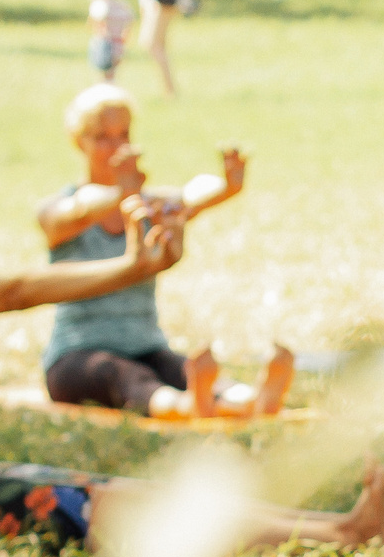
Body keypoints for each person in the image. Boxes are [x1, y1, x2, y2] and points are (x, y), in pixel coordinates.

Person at [0, 110, 384, 556]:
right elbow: (16, 291)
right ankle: (342, 538)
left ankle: (342, 529)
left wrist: (142, 264)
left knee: (129, 490)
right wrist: (137, 265)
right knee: (114, 504)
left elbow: (34, 282)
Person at [35, 82, 289, 419]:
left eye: (123, 134)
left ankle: (249, 400)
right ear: (79, 141)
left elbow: (190, 194)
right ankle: (188, 407)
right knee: (125, 378)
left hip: (146, 347)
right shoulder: (60, 208)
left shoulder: (147, 203)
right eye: (102, 136)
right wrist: (124, 194)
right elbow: (76, 211)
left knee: (180, 369)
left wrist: (227, 186)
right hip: (77, 357)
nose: (116, 146)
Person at [85, 0, 129, 77]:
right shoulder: (121, 6)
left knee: (103, 72)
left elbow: (94, 23)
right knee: (113, 71)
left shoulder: (99, 4)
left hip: (104, 42)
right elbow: (129, 23)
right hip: (118, 42)